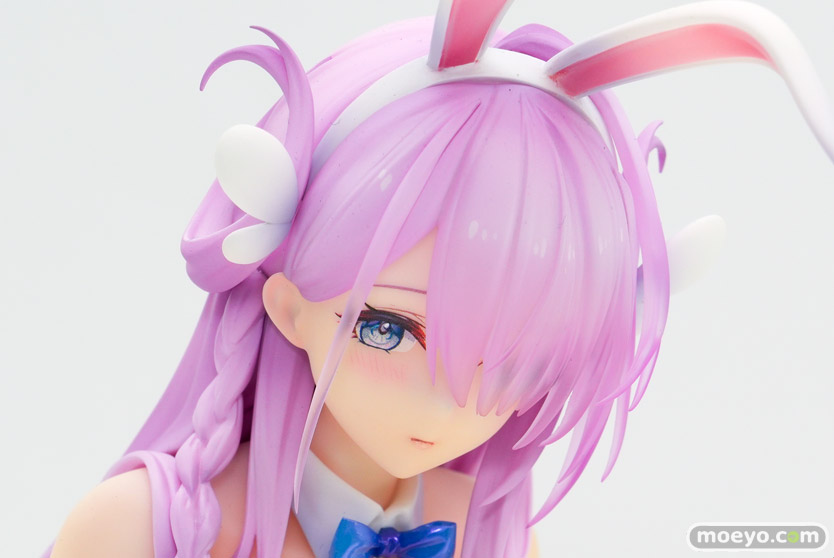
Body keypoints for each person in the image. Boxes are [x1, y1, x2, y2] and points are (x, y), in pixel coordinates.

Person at [46, 2, 833, 557]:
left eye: (517, 361)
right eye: (388, 328)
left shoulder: (496, 536)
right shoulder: (147, 529)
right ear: (287, 306)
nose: (450, 398)